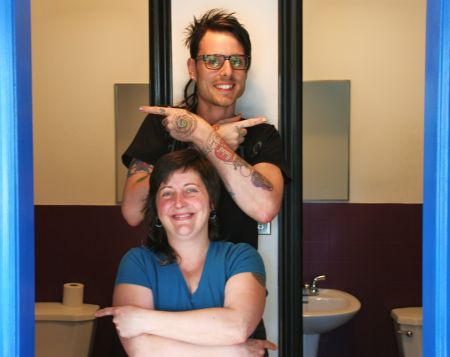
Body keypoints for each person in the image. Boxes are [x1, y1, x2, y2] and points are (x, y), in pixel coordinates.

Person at [121, 8, 289, 249]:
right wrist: (207, 143)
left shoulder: (262, 136)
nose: (227, 71)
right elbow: (132, 211)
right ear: (192, 68)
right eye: (212, 60)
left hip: (234, 280)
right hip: (168, 276)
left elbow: (264, 209)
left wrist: (206, 137)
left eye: (237, 61)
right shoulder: (162, 125)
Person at [96, 149, 277, 356]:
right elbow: (141, 349)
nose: (179, 202)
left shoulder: (241, 257)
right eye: (167, 192)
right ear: (156, 207)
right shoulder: (137, 262)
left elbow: (237, 327)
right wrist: (232, 352)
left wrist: (140, 320)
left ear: (211, 202)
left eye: (191, 190)